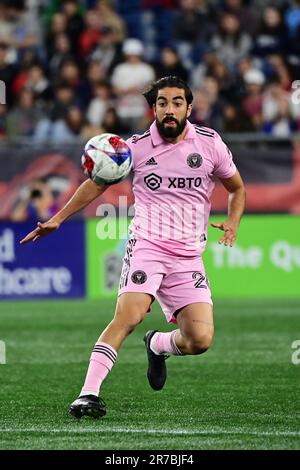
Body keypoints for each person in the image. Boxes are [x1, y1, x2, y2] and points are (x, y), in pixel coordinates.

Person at [20, 76, 246, 419]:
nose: (169, 110)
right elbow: (96, 185)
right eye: (162, 103)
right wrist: (59, 218)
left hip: (188, 255)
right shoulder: (135, 148)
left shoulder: (210, 144)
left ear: (189, 106)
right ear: (153, 108)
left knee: (199, 340)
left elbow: (237, 188)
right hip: (148, 247)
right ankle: (88, 394)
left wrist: (233, 221)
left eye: (176, 103)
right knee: (129, 315)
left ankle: (156, 344)